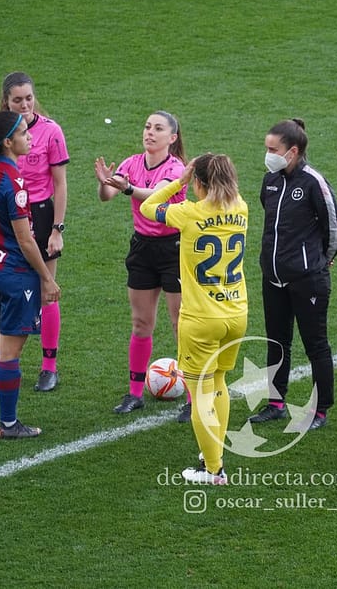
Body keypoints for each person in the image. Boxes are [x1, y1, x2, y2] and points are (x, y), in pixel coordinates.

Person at [140, 154, 248, 485]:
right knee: (220, 382)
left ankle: (213, 470)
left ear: (198, 182)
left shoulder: (188, 213)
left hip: (201, 319)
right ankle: (213, 453)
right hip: (236, 314)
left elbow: (148, 207)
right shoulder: (241, 208)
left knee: (201, 392)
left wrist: (178, 182)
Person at [0, 110, 61, 439]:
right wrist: (47, 278)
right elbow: (25, 239)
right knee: (10, 353)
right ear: (8, 142)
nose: (30, 136)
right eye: (23, 133)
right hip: (15, 273)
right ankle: (8, 424)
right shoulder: (15, 183)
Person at [95, 111, 191, 421]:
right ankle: (135, 394)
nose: (150, 132)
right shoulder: (132, 163)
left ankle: (193, 399)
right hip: (142, 250)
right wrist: (105, 183)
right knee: (140, 323)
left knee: (181, 325)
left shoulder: (176, 168)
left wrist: (127, 188)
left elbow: (156, 197)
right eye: (148, 127)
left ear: (172, 138)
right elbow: (107, 196)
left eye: (158, 128)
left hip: (175, 249)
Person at [251, 118, 337, 431]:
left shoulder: (314, 182)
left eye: (272, 149)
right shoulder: (270, 180)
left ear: (292, 151)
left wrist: (321, 261)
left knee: (315, 344)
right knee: (276, 342)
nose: (268, 154)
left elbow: (335, 227)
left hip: (308, 280)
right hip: (273, 277)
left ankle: (320, 410)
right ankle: (276, 403)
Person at [0, 72, 70, 392]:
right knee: (6, 291)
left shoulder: (51, 131)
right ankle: (4, 361)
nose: (25, 105)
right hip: (7, 218)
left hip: (39, 214)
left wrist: (57, 229)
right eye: (17, 100)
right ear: (6, 101)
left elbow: (60, 184)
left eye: (29, 98)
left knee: (46, 290)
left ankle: (49, 368)